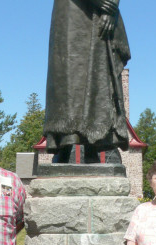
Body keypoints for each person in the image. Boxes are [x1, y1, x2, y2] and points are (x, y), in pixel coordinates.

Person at [44, 0, 131, 163]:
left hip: (101, 15)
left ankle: (95, 144)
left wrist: (110, 9)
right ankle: (65, 143)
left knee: (99, 70)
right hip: (71, 10)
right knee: (67, 75)